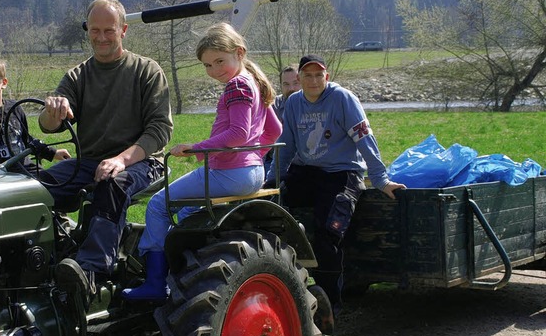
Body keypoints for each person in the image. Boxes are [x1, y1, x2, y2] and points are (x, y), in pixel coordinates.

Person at [121, 22, 282, 301]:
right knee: (186, 212)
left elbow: (239, 134)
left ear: (239, 52)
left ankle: (155, 283)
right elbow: (274, 131)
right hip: (254, 171)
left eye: (220, 61)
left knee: (159, 205)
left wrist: (195, 147)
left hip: (232, 172)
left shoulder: (236, 86)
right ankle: (187, 269)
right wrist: (256, 157)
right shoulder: (255, 82)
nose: (215, 70)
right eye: (208, 65)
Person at [39, 0, 173, 306]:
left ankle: (91, 273)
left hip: (142, 161)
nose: (101, 38)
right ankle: (48, 256)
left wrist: (121, 160)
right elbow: (49, 126)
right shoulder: (79, 76)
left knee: (112, 183)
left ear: (124, 30)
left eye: (108, 30)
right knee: (35, 189)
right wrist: (52, 110)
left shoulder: (146, 71)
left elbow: (159, 130)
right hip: (90, 161)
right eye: (94, 30)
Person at [265, 54, 406, 317]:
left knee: (328, 230)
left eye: (319, 75)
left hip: (342, 173)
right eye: (308, 75)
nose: (314, 80)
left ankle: (329, 304)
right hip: (308, 171)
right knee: (269, 213)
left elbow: (365, 138)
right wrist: (272, 181)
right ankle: (279, 289)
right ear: (300, 79)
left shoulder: (342, 99)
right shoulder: (294, 103)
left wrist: (380, 180)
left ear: (326, 77)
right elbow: (287, 146)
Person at [264, 65, 300, 174]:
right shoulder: (271, 107)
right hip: (274, 162)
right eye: (286, 84)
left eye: (295, 83)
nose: (291, 89)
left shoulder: (312, 105)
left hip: (302, 164)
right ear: (280, 86)